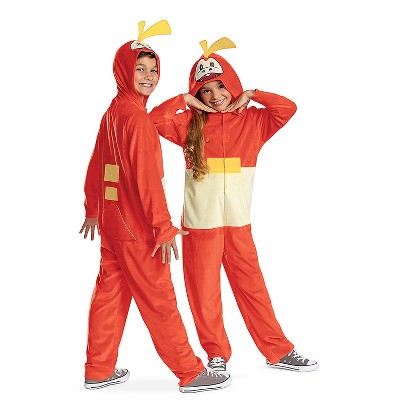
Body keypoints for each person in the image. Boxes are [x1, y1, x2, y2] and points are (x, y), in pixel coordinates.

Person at [149, 37, 318, 373]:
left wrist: (251, 94)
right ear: (197, 95)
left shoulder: (254, 121)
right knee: (204, 293)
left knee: (253, 288)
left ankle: (277, 351)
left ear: (233, 85)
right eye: (205, 91)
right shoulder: (188, 124)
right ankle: (216, 353)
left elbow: (287, 108)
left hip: (238, 223)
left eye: (221, 86)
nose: (215, 96)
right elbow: (152, 121)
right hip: (200, 226)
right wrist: (183, 100)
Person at [79, 22, 231, 393]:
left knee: (109, 296)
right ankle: (191, 372)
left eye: (153, 69)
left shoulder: (113, 112)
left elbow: (100, 164)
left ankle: (98, 370)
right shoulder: (137, 120)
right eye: (140, 69)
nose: (149, 76)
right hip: (138, 230)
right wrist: (163, 228)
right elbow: (147, 181)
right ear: (123, 70)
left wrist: (93, 208)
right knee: (159, 298)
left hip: (114, 226)